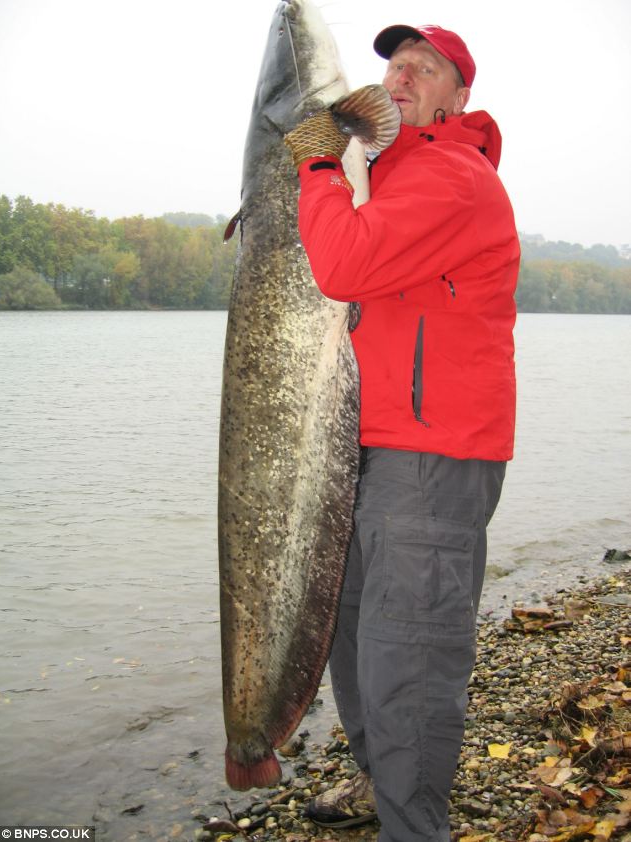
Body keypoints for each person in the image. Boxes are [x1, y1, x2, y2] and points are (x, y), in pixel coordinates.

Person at [285, 21, 519, 842]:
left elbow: (343, 264)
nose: (398, 79)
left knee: (407, 657)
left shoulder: (451, 177)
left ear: (459, 95)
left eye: (423, 69)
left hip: (435, 452)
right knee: (349, 635)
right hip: (373, 449)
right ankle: (381, 777)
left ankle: (413, 827)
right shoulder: (387, 175)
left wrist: (315, 164)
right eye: (392, 67)